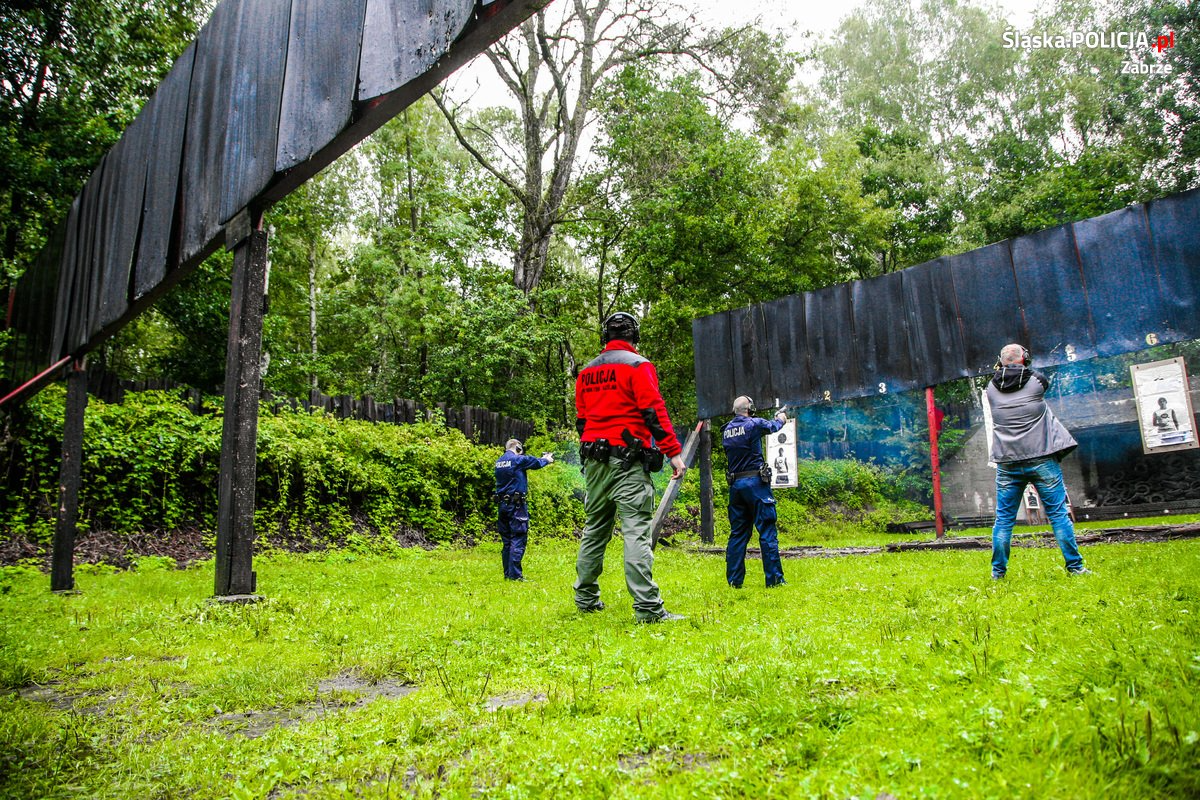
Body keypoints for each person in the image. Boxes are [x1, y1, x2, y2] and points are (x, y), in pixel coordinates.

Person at [574, 311, 687, 623]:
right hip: (627, 460)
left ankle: (585, 599)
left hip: (594, 459)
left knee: (595, 527)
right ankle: (649, 610)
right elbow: (653, 411)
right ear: (634, 335)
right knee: (635, 529)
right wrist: (674, 453)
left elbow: (581, 420)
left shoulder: (585, 372)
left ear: (605, 336)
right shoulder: (638, 365)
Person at [987, 343, 1090, 578]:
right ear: (1025, 359)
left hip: (1007, 461)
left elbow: (1002, 373)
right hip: (1041, 458)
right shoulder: (1037, 382)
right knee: (1057, 514)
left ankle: (997, 573)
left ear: (1000, 362)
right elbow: (1031, 373)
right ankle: (1075, 568)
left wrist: (1002, 365)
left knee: (1004, 520)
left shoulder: (991, 388)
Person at [721, 396, 788, 588]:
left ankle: (734, 581)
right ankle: (774, 580)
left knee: (738, 533)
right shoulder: (754, 424)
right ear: (749, 408)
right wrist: (781, 418)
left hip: (735, 485)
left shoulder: (726, 430)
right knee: (767, 530)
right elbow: (773, 427)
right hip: (756, 484)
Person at [493, 438, 553, 581]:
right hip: (516, 505)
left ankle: (508, 574)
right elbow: (536, 463)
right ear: (518, 448)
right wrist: (547, 459)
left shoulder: (499, 462)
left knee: (507, 541)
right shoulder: (518, 460)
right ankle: (515, 576)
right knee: (518, 538)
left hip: (502, 505)